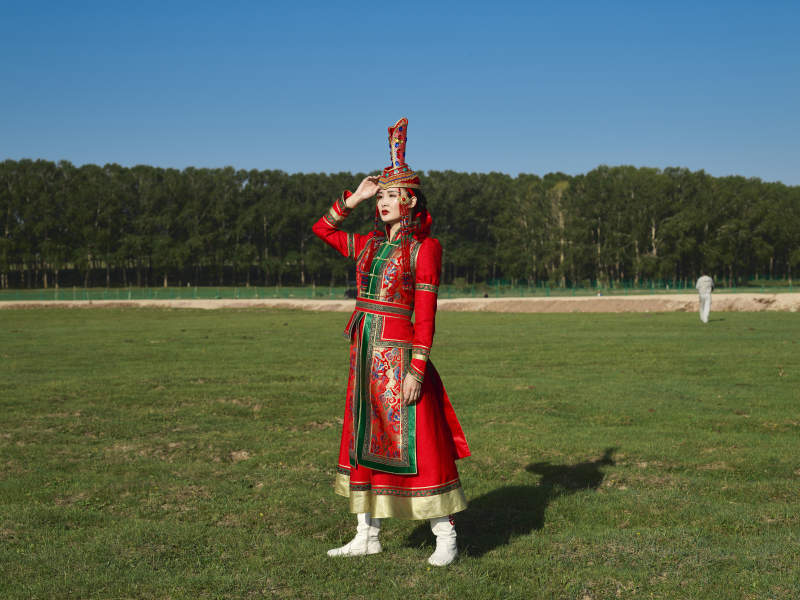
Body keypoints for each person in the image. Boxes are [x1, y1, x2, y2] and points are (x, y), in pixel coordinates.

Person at [312, 118, 470, 567]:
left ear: (411, 199)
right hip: (364, 354)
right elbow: (322, 229)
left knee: (422, 442)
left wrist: (417, 368)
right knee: (363, 437)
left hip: (400, 358)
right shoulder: (366, 246)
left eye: (389, 194)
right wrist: (355, 195)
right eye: (378, 196)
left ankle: (445, 535)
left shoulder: (425, 249)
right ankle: (367, 534)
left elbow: (426, 312)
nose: (382, 202)